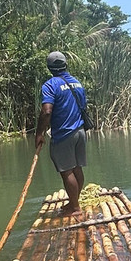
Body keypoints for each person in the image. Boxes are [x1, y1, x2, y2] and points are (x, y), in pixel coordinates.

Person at [35, 51, 88, 218]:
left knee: (66, 171)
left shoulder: (50, 85)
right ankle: (74, 203)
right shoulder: (77, 83)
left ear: (49, 68)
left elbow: (46, 111)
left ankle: (75, 208)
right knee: (77, 168)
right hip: (80, 132)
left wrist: (39, 133)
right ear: (65, 65)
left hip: (64, 134)